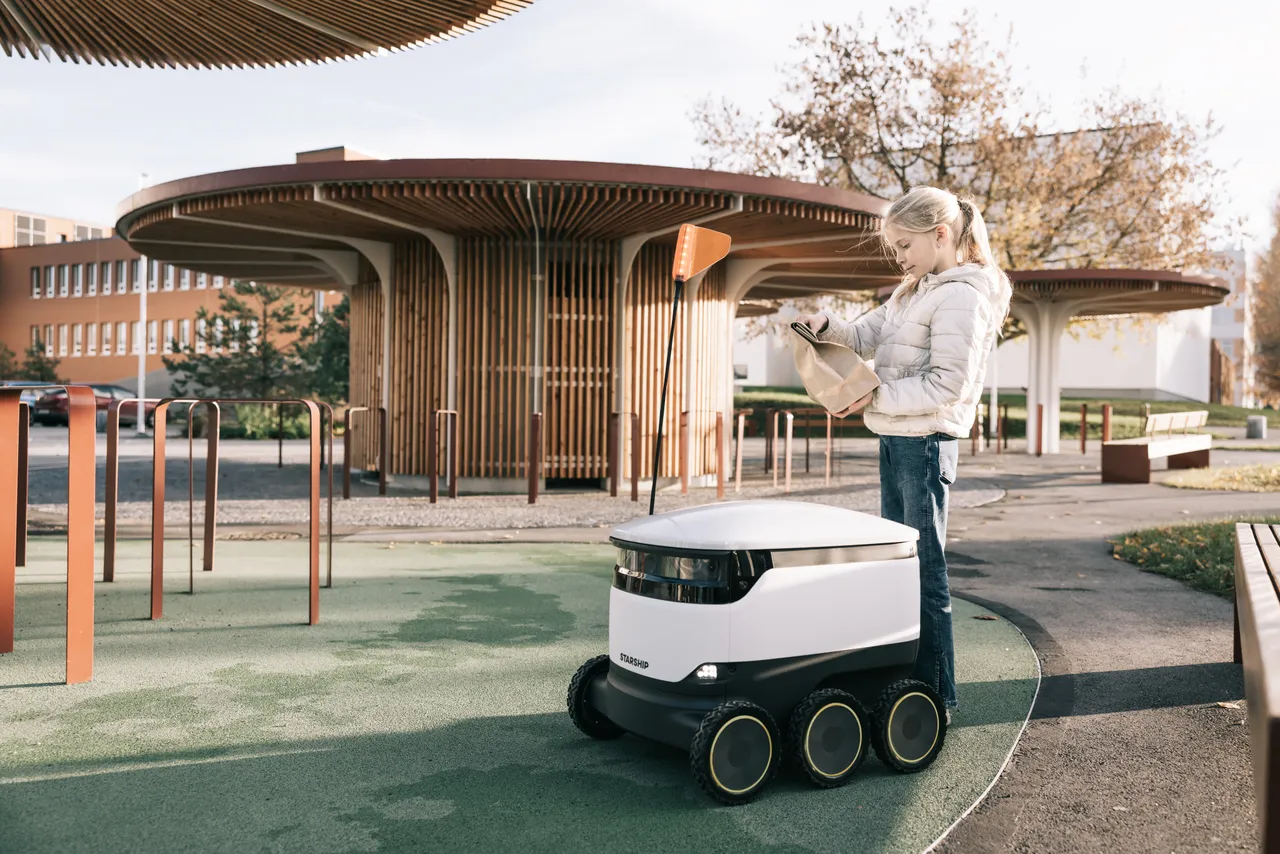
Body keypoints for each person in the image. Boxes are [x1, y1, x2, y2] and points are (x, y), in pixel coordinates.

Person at [796, 186, 1012, 722]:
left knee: (924, 570)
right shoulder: (912, 291)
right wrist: (828, 327)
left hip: (926, 444)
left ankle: (936, 697)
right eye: (893, 247)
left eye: (904, 245)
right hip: (897, 439)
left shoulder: (962, 296)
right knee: (898, 566)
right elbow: (863, 335)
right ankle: (904, 686)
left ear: (940, 235)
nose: (898, 257)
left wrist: (874, 397)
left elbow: (948, 385)